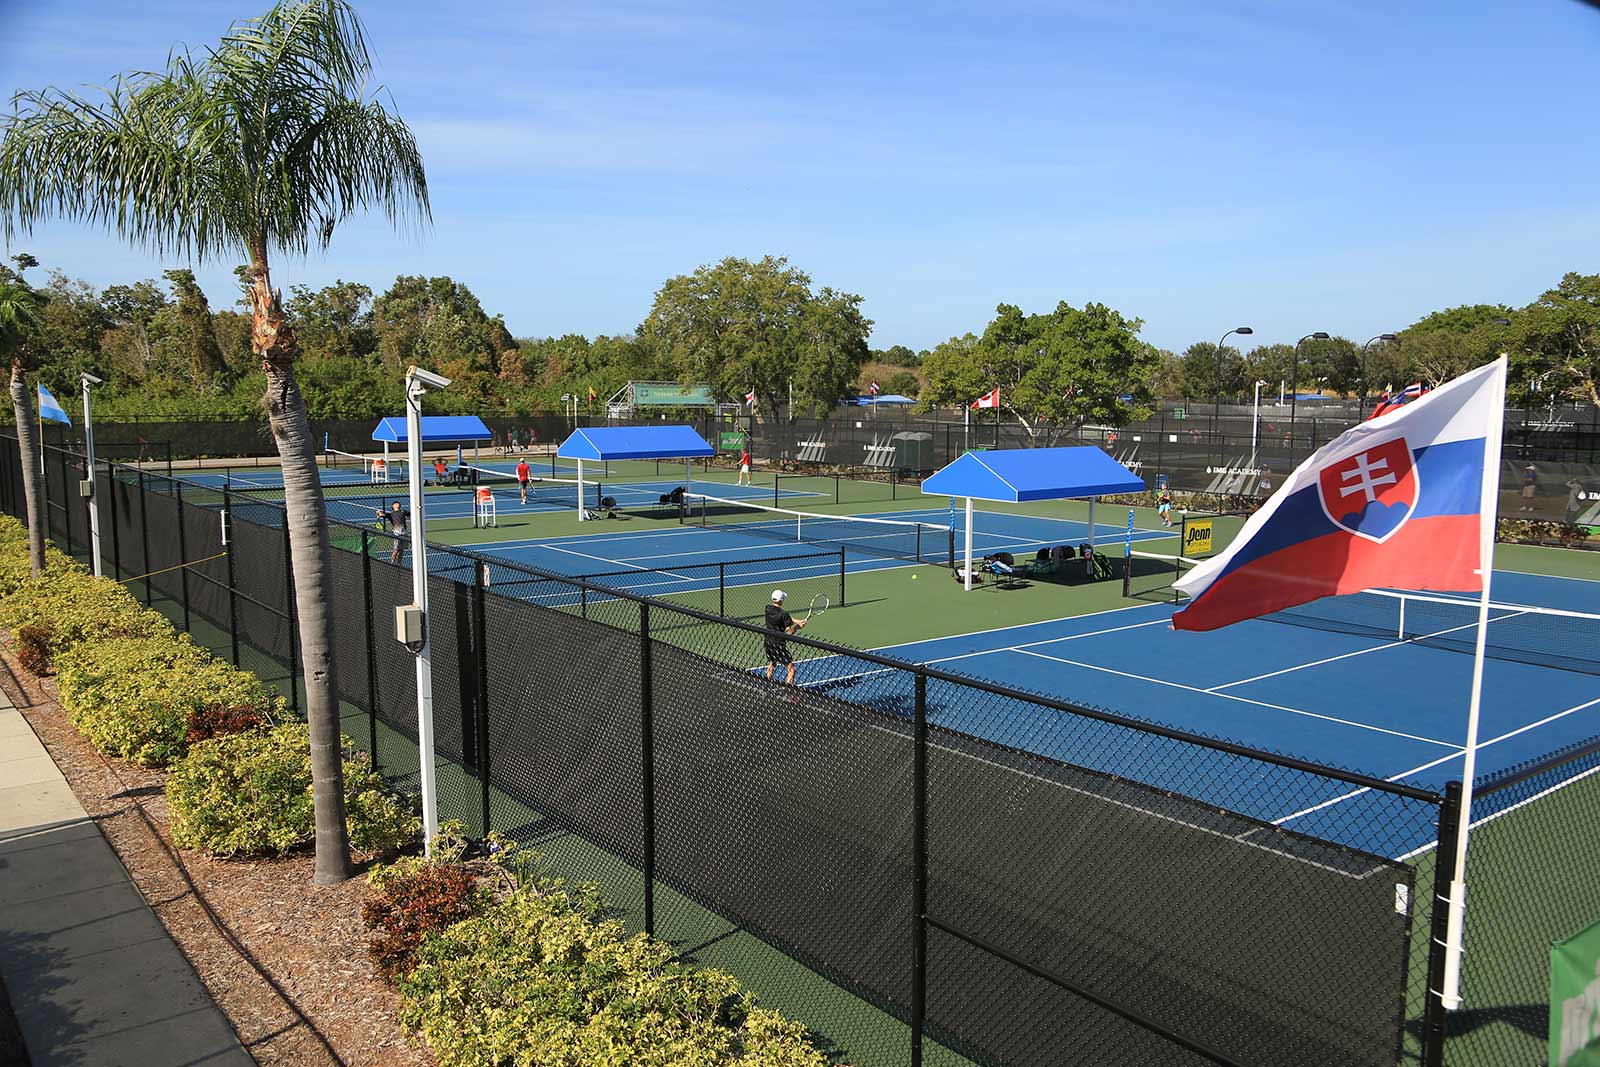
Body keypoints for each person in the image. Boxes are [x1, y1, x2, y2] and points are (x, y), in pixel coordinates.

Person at [763, 589, 805, 685]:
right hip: (779, 644)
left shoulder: (768, 608)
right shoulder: (783, 613)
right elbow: (789, 632)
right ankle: (789, 693)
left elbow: (784, 617)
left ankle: (764, 686)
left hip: (768, 642)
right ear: (781, 600)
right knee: (791, 669)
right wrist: (797, 627)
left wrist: (797, 621)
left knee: (773, 663)